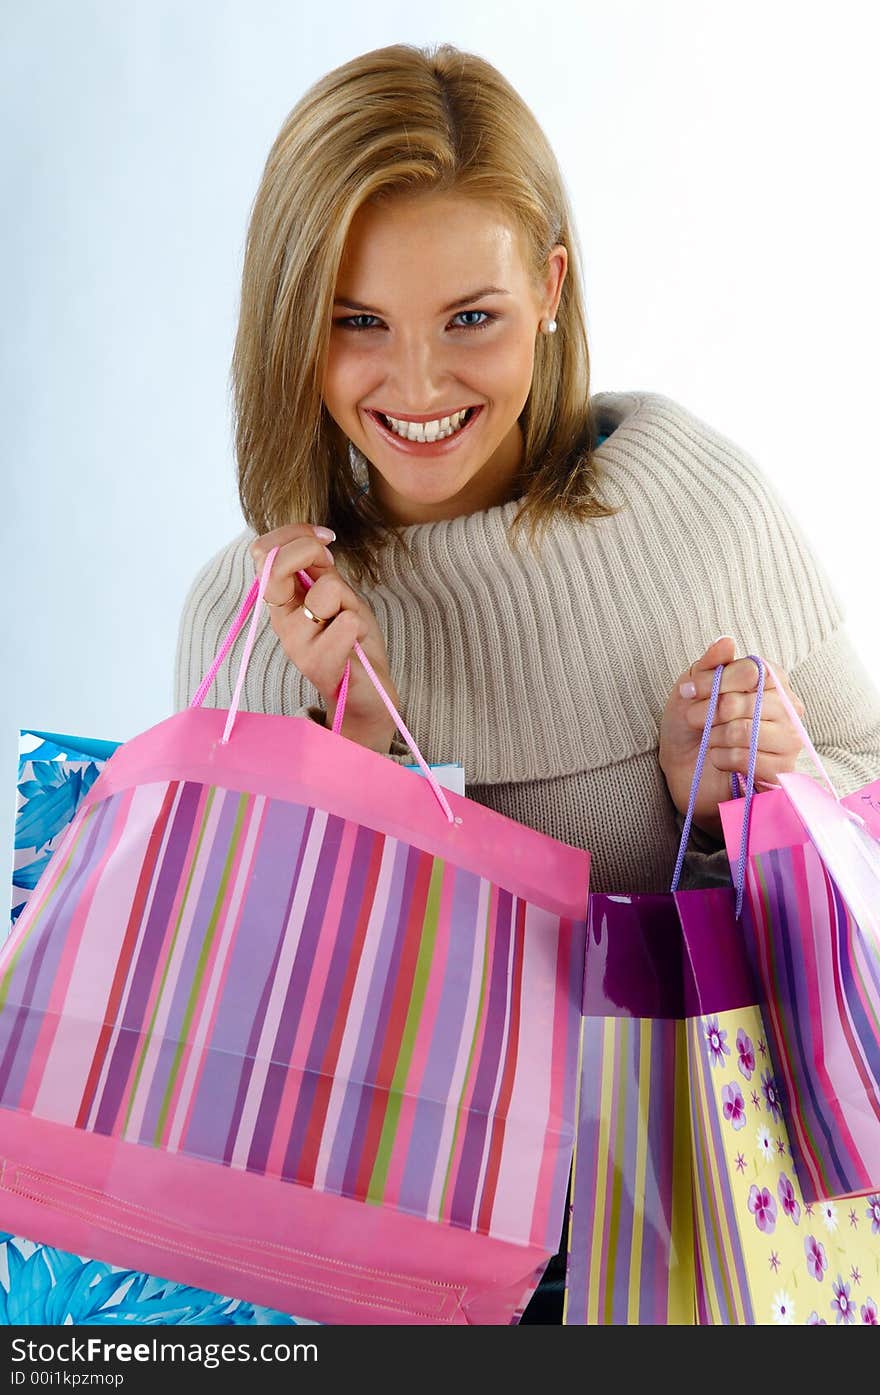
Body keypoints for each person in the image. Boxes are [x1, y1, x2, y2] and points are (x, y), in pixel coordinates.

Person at [174, 42, 880, 1323]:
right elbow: (231, 1035)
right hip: (380, 1275)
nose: (422, 384)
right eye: (356, 322)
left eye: (472, 318)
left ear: (551, 287)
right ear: (293, 321)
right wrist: (343, 751)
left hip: (704, 1241)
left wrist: (744, 803)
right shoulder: (251, 615)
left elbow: (867, 805)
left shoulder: (694, 505)